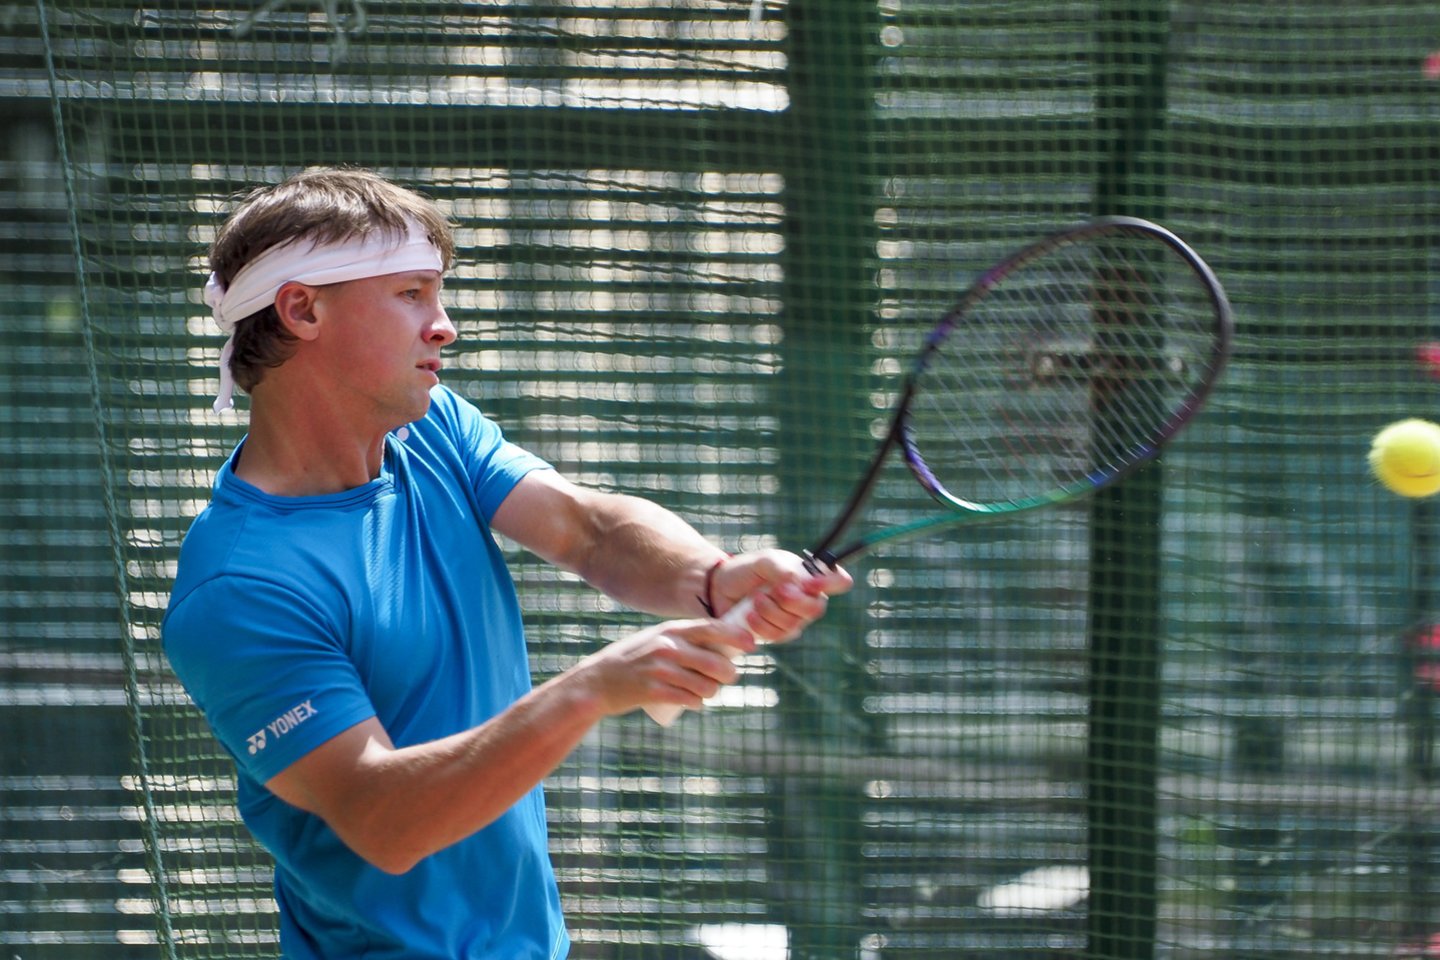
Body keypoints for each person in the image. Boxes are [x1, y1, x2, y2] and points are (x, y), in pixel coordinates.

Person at [161, 167, 851, 960]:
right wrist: (586, 691)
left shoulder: (431, 428)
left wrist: (711, 578)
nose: (444, 326)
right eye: (412, 294)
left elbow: (588, 529)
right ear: (302, 309)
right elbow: (384, 819)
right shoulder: (239, 590)